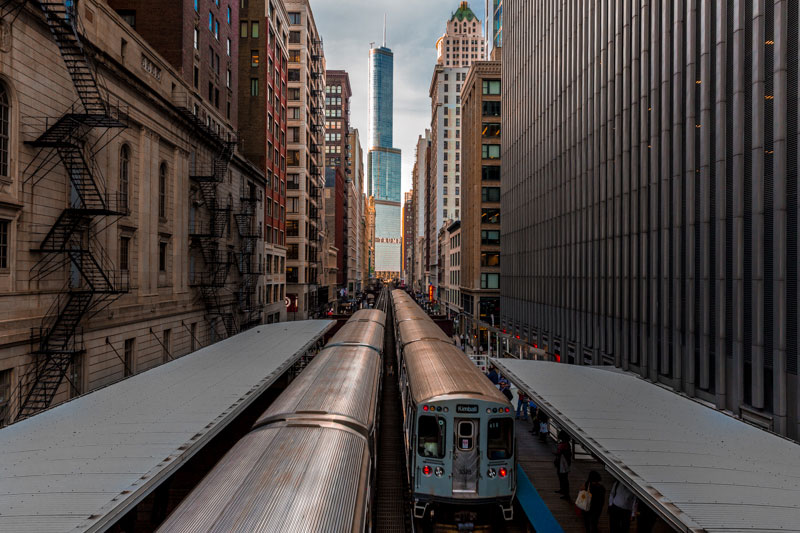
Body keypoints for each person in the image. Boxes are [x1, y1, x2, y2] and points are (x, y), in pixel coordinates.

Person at [553, 431, 572, 499]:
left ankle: (566, 494)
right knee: (562, 477)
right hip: (562, 464)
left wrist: (557, 453)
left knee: (564, 478)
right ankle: (562, 490)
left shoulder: (564, 445)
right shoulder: (566, 444)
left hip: (563, 464)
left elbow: (560, 453)